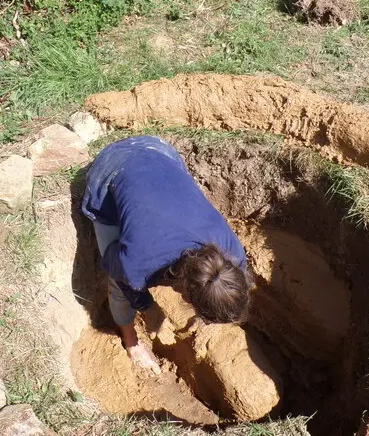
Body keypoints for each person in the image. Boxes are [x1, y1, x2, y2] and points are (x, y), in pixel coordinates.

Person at [81, 136, 251, 374]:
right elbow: (112, 264)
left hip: (161, 151)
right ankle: (131, 341)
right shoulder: (139, 263)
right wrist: (146, 306)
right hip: (111, 167)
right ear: (187, 296)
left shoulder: (234, 252)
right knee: (120, 286)